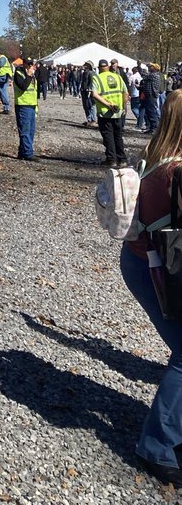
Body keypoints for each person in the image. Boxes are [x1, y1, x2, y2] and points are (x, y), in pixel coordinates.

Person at [121, 89, 182, 486]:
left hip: (140, 261)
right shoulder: (176, 171)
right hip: (161, 268)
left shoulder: (151, 156)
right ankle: (158, 446)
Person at [91, 58, 130, 168]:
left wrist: (108, 105)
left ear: (99, 68)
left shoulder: (97, 78)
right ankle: (122, 159)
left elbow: (94, 94)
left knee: (108, 135)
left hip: (105, 112)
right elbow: (125, 93)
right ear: (108, 67)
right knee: (118, 135)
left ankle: (111, 159)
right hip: (118, 112)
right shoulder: (117, 77)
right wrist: (123, 107)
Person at [13, 54, 39, 160]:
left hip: (31, 105)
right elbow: (23, 87)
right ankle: (28, 153)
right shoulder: (19, 73)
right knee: (25, 131)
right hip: (23, 105)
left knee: (31, 131)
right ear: (24, 64)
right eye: (28, 64)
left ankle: (23, 152)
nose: (30, 66)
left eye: (31, 64)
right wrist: (28, 76)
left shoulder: (33, 75)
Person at [80, 61, 97, 126]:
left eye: (86, 65)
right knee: (86, 106)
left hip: (89, 91)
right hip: (83, 90)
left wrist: (90, 90)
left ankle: (93, 120)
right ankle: (89, 120)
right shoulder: (85, 73)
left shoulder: (92, 73)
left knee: (91, 106)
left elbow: (92, 82)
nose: (84, 66)